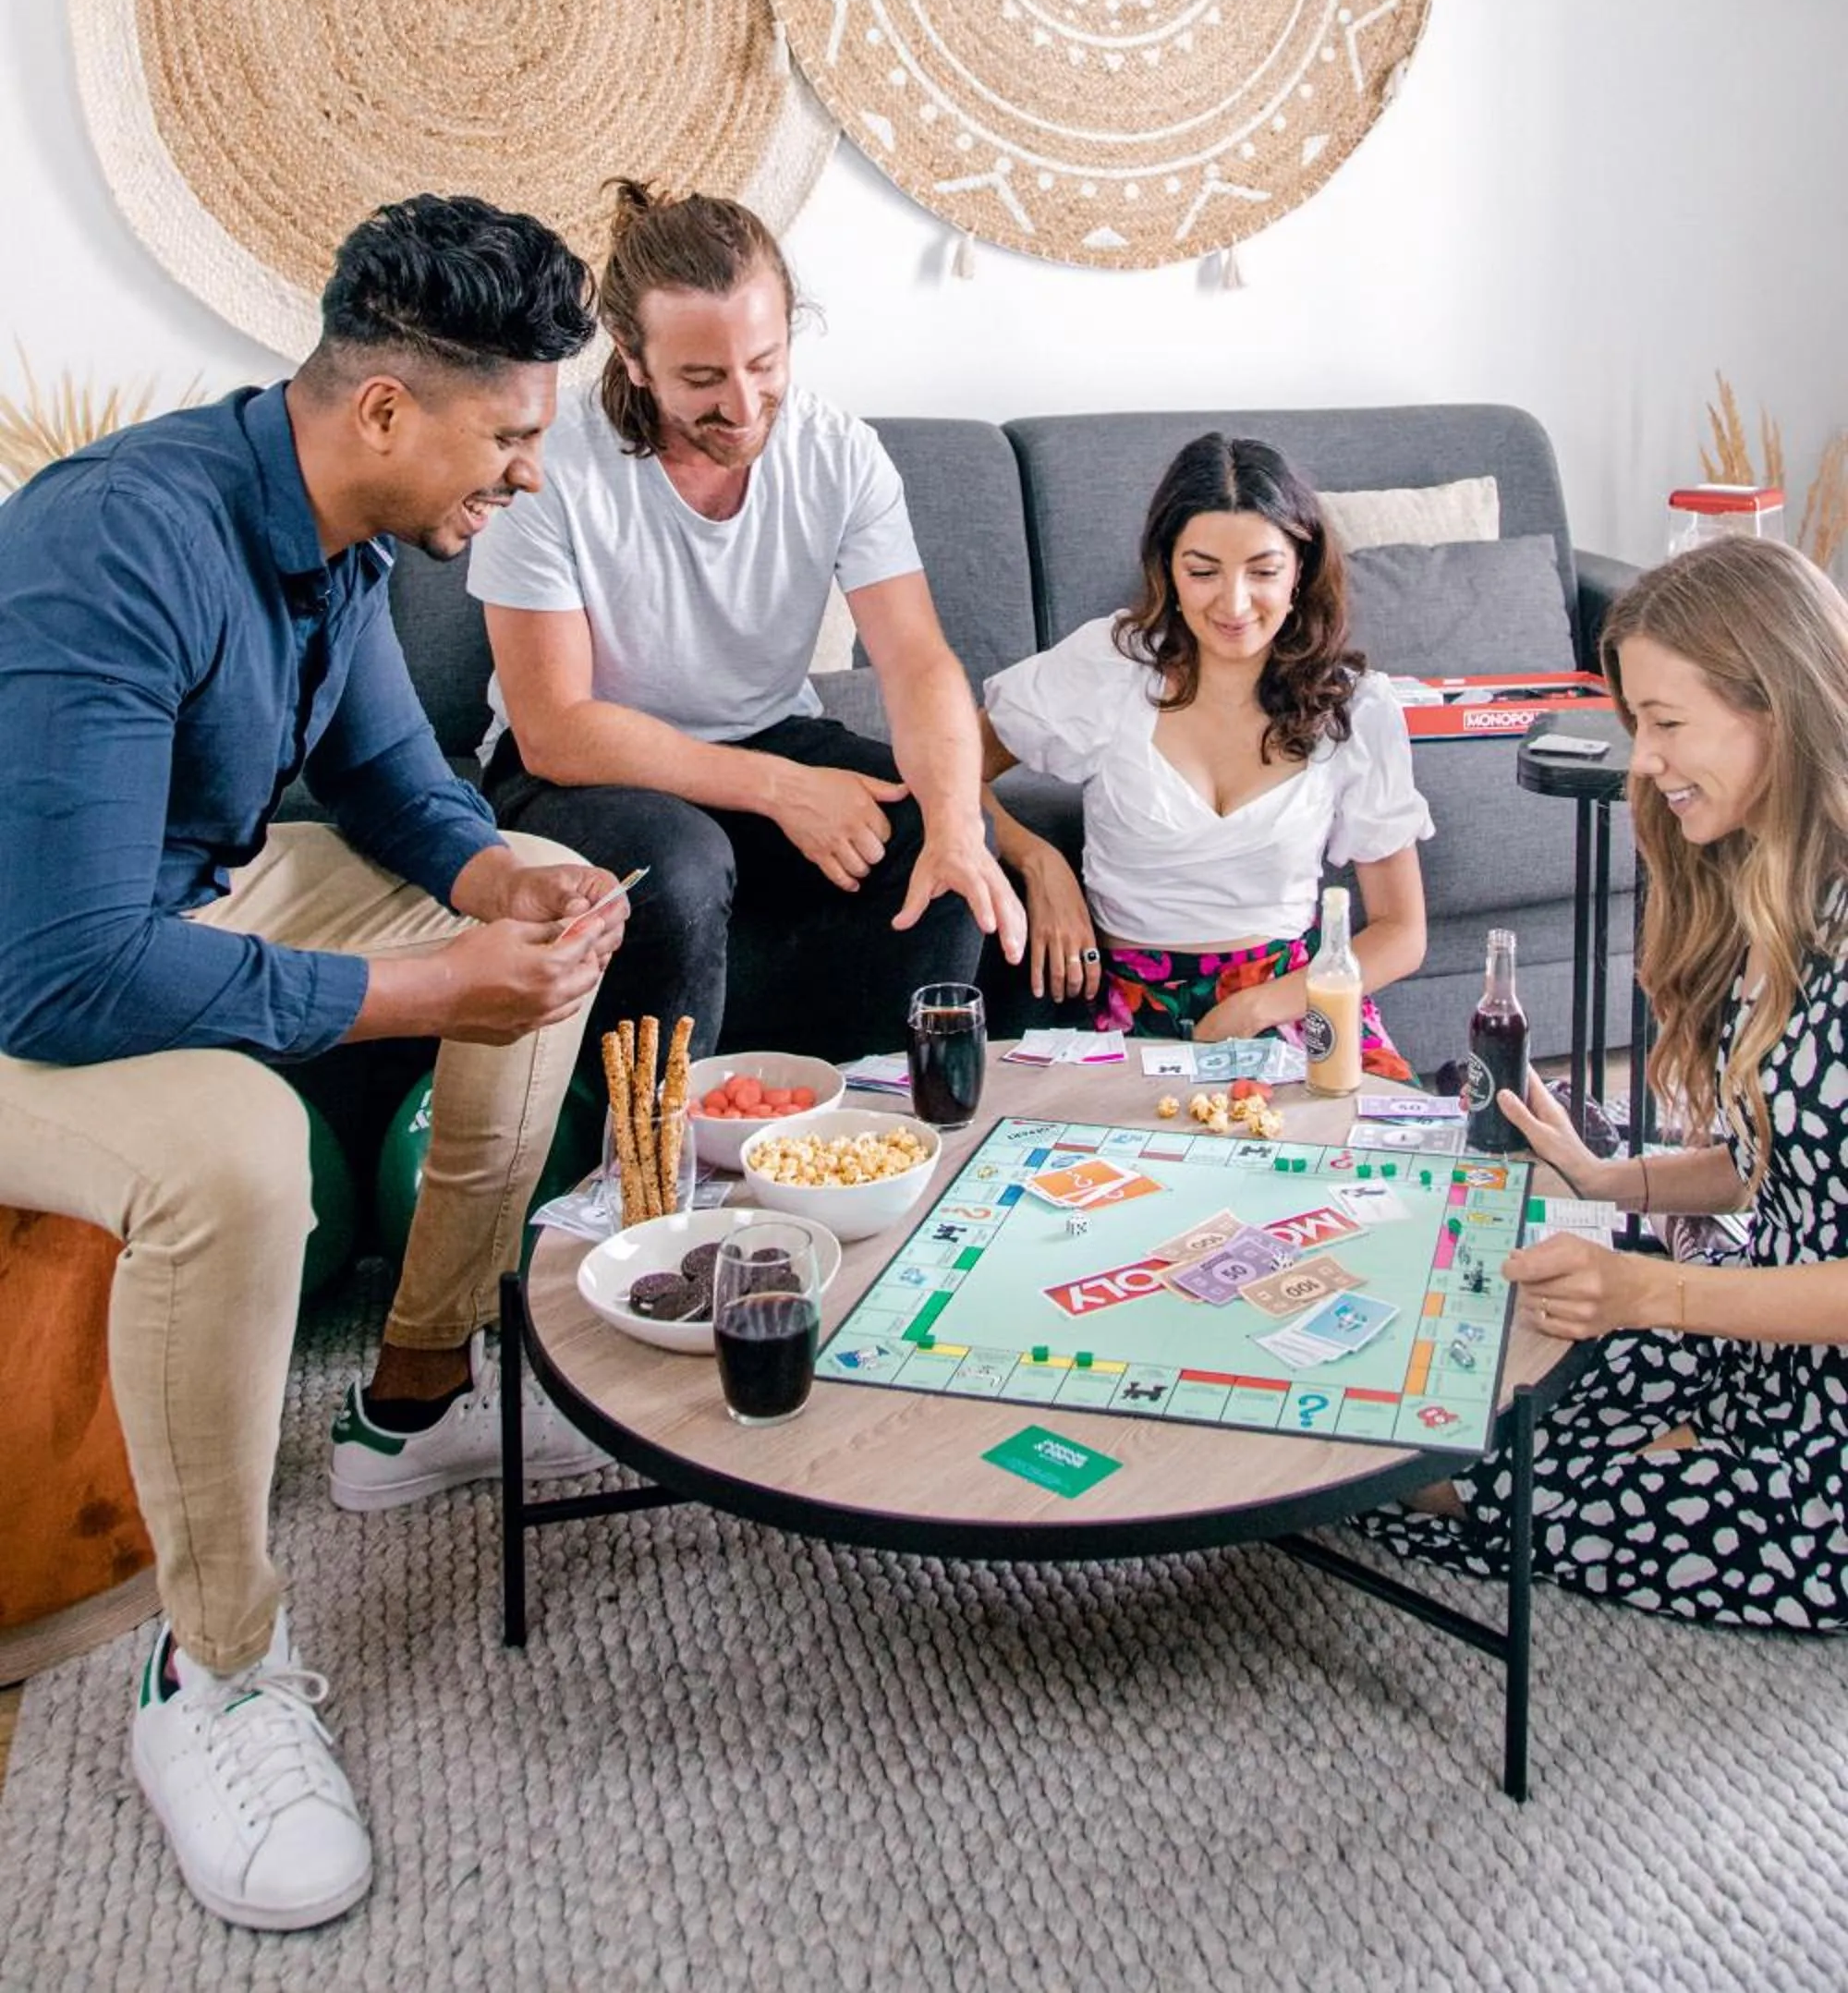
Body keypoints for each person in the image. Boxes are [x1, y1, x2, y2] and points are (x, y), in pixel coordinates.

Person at [0, 195, 632, 1932]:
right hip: (20, 968)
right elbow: (62, 972)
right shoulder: (112, 544)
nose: (524, 478)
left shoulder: (340, 536)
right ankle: (211, 1671)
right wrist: (421, 993)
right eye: (507, 440)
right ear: (384, 412)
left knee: (568, 897)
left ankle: (410, 1401)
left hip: (165, 897)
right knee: (236, 1163)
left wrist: (498, 876)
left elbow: (386, 786)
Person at [1375, 537, 1848, 1627]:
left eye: (1667, 724)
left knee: (1462, 1492)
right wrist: (1608, 1176)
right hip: (1762, 1358)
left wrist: (1657, 1292)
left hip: (1822, 1455)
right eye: (1637, 727)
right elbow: (1788, 1164)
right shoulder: (1779, 890)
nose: (1641, 762)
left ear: (1778, 701)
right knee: (1470, 1397)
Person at [469, 180, 1024, 1067]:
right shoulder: (549, 464)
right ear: (632, 355)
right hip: (580, 775)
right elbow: (553, 729)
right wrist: (775, 787)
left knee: (943, 835)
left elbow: (917, 664)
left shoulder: (839, 454)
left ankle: (865, 1134)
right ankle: (657, 1161)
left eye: (764, 363)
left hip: (765, 730)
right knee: (676, 866)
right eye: (701, 377)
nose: (741, 403)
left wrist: (959, 820)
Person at [979, 433, 1429, 1067]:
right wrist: (1035, 859)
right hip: (1125, 1016)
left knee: (1375, 1161)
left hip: (1291, 1003)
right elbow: (946, 772)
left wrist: (1262, 1006)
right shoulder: (1109, 665)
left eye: (1264, 571)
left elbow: (1401, 933)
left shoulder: (1353, 706)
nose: (1235, 602)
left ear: (1300, 570)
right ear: (1167, 568)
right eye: (1203, 571)